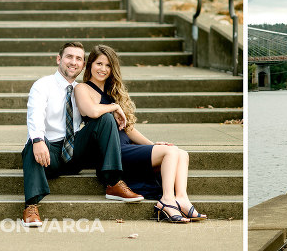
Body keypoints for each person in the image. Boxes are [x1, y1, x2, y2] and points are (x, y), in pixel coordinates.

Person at [74, 44, 207, 223]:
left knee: (180, 153)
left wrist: (153, 145)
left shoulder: (112, 93)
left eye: (108, 65)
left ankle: (181, 198)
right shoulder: (82, 89)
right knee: (170, 153)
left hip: (127, 147)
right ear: (90, 64)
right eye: (99, 63)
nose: (103, 69)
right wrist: (114, 107)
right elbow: (91, 111)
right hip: (113, 153)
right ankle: (167, 200)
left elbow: (128, 129)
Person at [22, 42, 144, 228]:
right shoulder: (43, 85)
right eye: (69, 57)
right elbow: (35, 115)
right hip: (49, 152)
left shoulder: (81, 89)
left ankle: (113, 182)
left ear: (83, 64)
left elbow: (94, 111)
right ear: (59, 59)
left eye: (78, 58)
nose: (73, 62)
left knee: (106, 119)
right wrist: (38, 140)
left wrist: (114, 107)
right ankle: (31, 206)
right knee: (32, 144)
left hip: (75, 151)